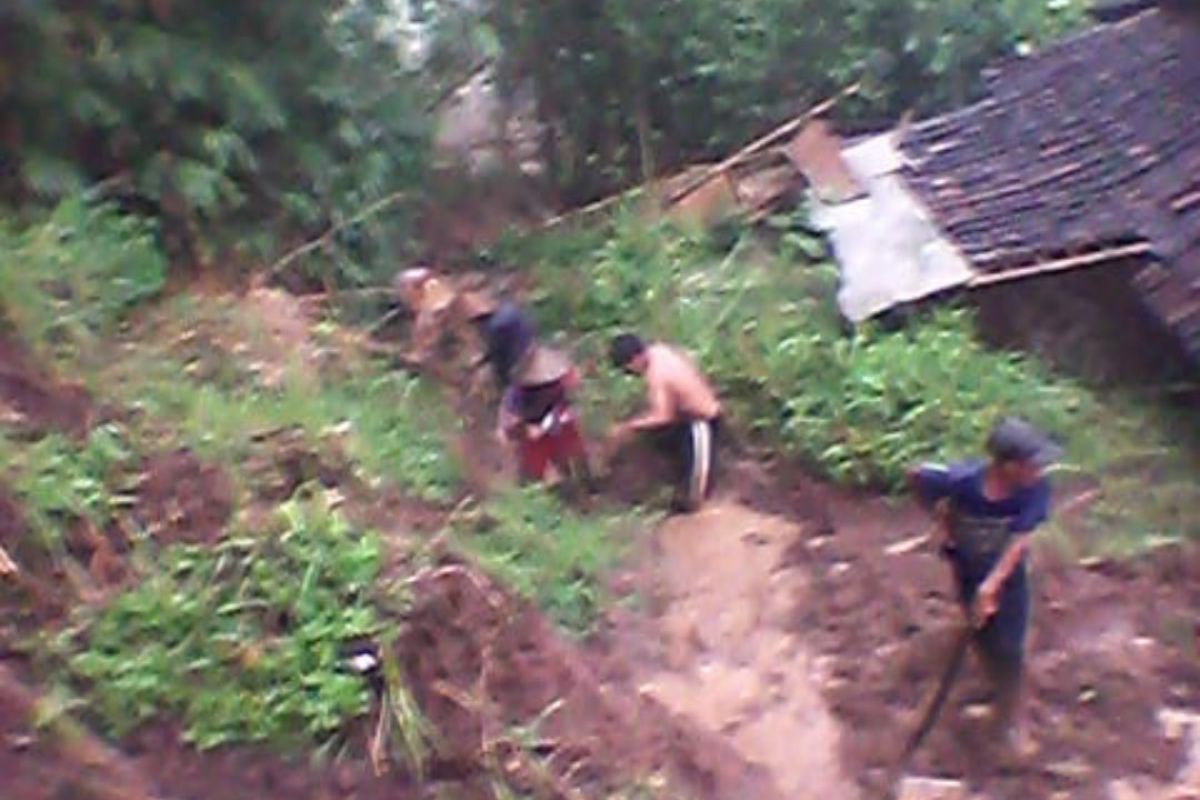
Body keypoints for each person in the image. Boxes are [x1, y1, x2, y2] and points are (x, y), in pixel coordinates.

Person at [908, 417, 1060, 758]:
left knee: (1011, 647)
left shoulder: (1036, 490)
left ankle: (1011, 720)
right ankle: (995, 686)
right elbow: (916, 475)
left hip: (1008, 578)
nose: (1040, 469)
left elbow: (1020, 541)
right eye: (1032, 464)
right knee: (982, 636)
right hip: (966, 570)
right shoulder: (961, 482)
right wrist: (941, 521)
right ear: (1007, 466)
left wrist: (992, 586)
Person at [607, 333, 722, 512]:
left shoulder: (657, 376)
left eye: (628, 369)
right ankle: (673, 477)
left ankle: (695, 499)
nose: (631, 374)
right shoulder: (659, 351)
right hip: (685, 417)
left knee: (694, 498)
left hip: (702, 422)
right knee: (655, 438)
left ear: (636, 359)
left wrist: (627, 427)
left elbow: (662, 417)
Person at [499, 345, 591, 487]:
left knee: (574, 448)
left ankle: (583, 482)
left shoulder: (559, 382)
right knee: (533, 466)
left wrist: (567, 410)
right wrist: (525, 429)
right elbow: (509, 422)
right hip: (528, 427)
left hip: (553, 418)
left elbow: (572, 391)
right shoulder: (517, 394)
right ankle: (533, 490)